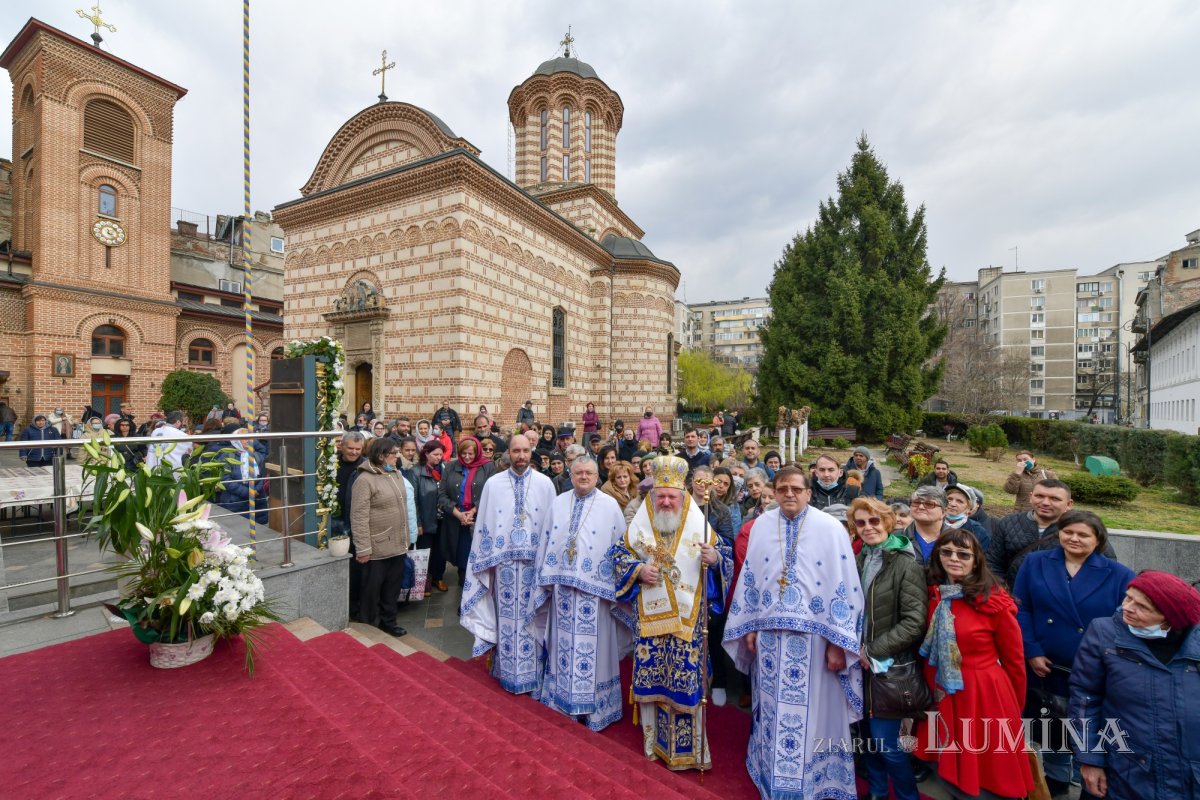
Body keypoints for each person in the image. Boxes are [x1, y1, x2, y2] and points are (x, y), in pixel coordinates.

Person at [723, 466, 864, 798]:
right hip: (770, 642)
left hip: (816, 645)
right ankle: (772, 772)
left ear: (808, 492)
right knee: (772, 710)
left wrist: (836, 645)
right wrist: (752, 628)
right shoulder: (760, 526)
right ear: (774, 491)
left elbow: (843, 587)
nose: (789, 494)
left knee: (817, 712)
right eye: (782, 488)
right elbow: (752, 580)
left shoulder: (830, 529)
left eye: (796, 489)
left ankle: (817, 781)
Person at [609, 455, 730, 770]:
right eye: (660, 495)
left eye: (671, 496)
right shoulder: (642, 522)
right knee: (655, 682)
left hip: (689, 624)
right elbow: (618, 554)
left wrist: (715, 558)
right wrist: (636, 570)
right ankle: (654, 744)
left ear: (682, 496)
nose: (665, 501)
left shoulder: (697, 521)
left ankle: (691, 752)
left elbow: (725, 557)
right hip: (650, 621)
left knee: (686, 683)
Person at [1013, 510, 1134, 798]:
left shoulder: (1119, 574)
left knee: (1087, 727)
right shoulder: (1035, 562)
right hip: (1044, 664)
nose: (1074, 539)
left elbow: (1124, 622)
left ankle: (1089, 780)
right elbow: (1021, 608)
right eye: (1068, 532)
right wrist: (1031, 650)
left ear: (1098, 540)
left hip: (1092, 667)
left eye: (1083, 535)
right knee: (1050, 724)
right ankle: (1056, 778)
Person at [915, 528, 1034, 800]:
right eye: (946, 552)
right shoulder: (936, 595)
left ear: (976, 560)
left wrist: (1014, 709)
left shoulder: (994, 602)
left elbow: (1015, 662)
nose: (954, 558)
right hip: (943, 691)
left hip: (984, 695)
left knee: (985, 769)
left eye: (963, 554)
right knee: (948, 762)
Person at [1069, 571, 1200, 800]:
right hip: (1126, 771)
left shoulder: (1194, 645)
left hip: (1189, 775)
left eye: (1142, 607)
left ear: (1169, 618)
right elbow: (1084, 699)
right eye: (1127, 598)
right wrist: (1089, 758)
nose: (1127, 608)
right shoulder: (1104, 633)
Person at [529, 456, 631, 729]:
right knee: (563, 647)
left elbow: (620, 548)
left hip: (596, 596)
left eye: (589, 473)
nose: (583, 477)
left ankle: (596, 709)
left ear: (598, 476)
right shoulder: (559, 502)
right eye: (578, 473)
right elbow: (547, 541)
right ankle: (561, 700)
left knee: (595, 650)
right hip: (563, 592)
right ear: (571, 476)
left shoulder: (610, 506)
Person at [461, 435, 556, 694]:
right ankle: (505, 671)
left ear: (531, 451)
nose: (521, 456)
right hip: (503, 568)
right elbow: (484, 526)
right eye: (516, 451)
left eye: (526, 451)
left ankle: (535, 673)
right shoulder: (493, 484)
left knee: (532, 617)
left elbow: (551, 528)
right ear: (509, 453)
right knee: (506, 619)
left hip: (533, 568)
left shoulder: (545, 484)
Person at [851, 497, 928, 800]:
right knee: (866, 740)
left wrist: (872, 650)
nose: (869, 527)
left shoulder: (905, 562)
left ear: (888, 522)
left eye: (874, 521)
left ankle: (908, 797)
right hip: (858, 665)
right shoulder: (860, 558)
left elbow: (914, 621)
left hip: (889, 668)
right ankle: (878, 793)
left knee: (888, 745)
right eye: (861, 522)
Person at [988, 478, 1114, 586]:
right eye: (1039, 496)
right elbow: (993, 563)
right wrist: (1001, 591)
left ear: (1069, 504)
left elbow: (1108, 564)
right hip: (1013, 598)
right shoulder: (1008, 522)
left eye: (1054, 499)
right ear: (1030, 497)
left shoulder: (1082, 529)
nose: (1045, 503)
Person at [351, 437, 416, 637]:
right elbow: (358, 516)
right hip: (377, 547)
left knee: (392, 588)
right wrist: (363, 548)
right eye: (394, 453)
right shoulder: (364, 479)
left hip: (397, 544)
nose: (398, 456)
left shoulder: (395, 474)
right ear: (381, 456)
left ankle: (389, 621)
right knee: (372, 590)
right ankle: (368, 626)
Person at [438, 436, 496, 585]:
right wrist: (458, 514)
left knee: (478, 555)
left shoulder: (488, 466)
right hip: (457, 519)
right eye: (464, 453)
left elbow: (492, 493)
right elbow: (442, 495)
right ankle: (464, 584)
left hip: (478, 519)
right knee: (463, 559)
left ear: (477, 452)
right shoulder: (451, 467)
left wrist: (473, 510)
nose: (467, 457)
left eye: (471, 453)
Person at [335, 432, 367, 613]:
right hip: (336, 519)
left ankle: (354, 604)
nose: (354, 452)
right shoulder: (332, 463)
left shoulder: (366, 466)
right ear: (342, 446)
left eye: (358, 449)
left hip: (356, 522)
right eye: (350, 448)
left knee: (356, 566)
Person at [216, 424, 268, 526]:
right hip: (235, 502)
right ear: (236, 440)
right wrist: (246, 492)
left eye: (249, 438)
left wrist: (256, 490)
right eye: (244, 438)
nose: (247, 441)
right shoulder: (226, 455)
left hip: (257, 502)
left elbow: (262, 475)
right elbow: (225, 479)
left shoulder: (256, 455)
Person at [414, 439, 449, 593]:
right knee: (425, 550)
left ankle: (438, 577)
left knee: (440, 550)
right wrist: (417, 522)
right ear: (426, 453)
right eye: (435, 454)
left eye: (441, 454)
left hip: (442, 518)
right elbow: (413, 499)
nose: (438, 457)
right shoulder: (416, 472)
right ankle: (424, 580)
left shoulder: (444, 470)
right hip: (426, 517)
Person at [900, 485, 948, 565]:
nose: (921, 507)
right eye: (916, 502)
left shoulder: (957, 539)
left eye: (929, 504)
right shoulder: (898, 537)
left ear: (943, 512)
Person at [943, 483, 991, 551]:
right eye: (949, 499)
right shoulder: (931, 524)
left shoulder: (977, 532)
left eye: (960, 501)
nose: (953, 504)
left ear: (968, 508)